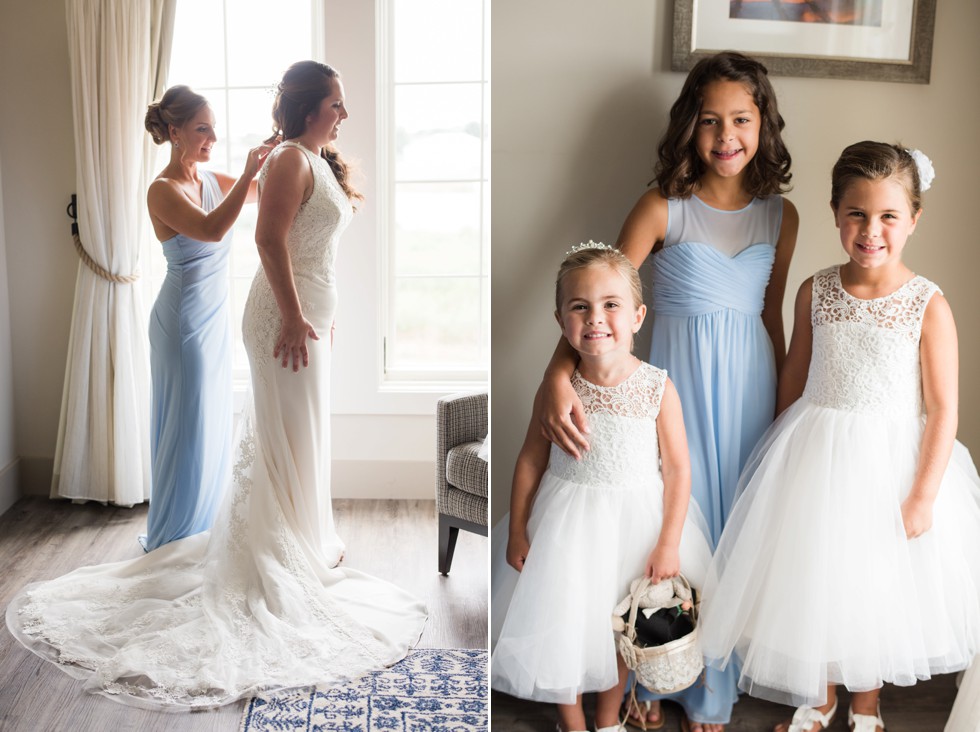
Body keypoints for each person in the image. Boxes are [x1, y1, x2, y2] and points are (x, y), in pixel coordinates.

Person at [5, 61, 427, 710]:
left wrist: (323, 311)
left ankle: (298, 539)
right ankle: (209, 538)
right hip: (218, 318)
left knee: (293, 435)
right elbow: (252, 233)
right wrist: (292, 310)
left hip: (287, 316)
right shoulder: (176, 186)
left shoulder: (286, 163)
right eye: (336, 104)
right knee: (248, 430)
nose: (344, 115)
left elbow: (294, 228)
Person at [537, 51, 797, 731]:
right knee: (663, 540)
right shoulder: (662, 207)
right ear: (689, 126)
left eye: (741, 119)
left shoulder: (781, 216)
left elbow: (771, 314)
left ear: (763, 123)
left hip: (749, 387)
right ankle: (651, 684)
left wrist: (784, 402)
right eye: (710, 120)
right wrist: (554, 375)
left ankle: (710, 687)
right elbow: (600, 305)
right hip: (674, 391)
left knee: (732, 541)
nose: (726, 135)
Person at [698, 142, 980, 732]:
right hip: (815, 455)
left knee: (873, 586)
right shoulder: (816, 291)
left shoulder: (927, 305)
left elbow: (944, 409)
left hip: (892, 467)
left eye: (887, 216)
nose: (870, 230)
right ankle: (820, 699)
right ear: (834, 213)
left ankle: (867, 707)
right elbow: (795, 378)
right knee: (817, 579)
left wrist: (923, 495)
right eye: (856, 214)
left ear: (913, 219)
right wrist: (776, 459)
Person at [491, 244, 714, 732]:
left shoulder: (657, 387)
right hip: (566, 525)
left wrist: (669, 542)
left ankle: (610, 718)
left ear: (637, 316)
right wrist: (518, 529)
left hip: (637, 527)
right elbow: (530, 457)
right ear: (560, 318)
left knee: (621, 631)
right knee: (566, 628)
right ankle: (572, 723)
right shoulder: (560, 387)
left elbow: (677, 470)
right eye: (580, 307)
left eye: (611, 305)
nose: (596, 318)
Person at [142, 85, 273, 551]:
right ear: (175, 132)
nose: (212, 137)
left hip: (215, 322)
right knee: (187, 427)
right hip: (181, 326)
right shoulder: (163, 190)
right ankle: (173, 538)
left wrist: (286, 148)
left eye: (214, 129)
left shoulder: (211, 179)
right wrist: (248, 172)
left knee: (210, 424)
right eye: (203, 129)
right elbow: (212, 229)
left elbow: (264, 193)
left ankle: (199, 530)